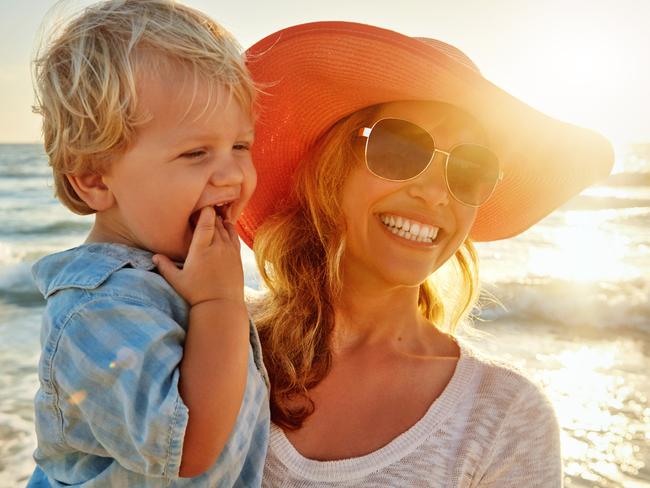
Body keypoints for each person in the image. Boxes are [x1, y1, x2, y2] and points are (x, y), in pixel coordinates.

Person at [237, 22, 614, 487]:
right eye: (402, 148)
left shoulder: (503, 418)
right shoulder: (217, 337)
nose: (436, 194)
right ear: (331, 168)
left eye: (471, 169)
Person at [27, 1, 269, 486]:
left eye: (240, 146)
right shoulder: (97, 309)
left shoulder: (180, 278)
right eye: (196, 152)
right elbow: (189, 448)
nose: (232, 174)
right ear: (95, 179)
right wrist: (220, 301)